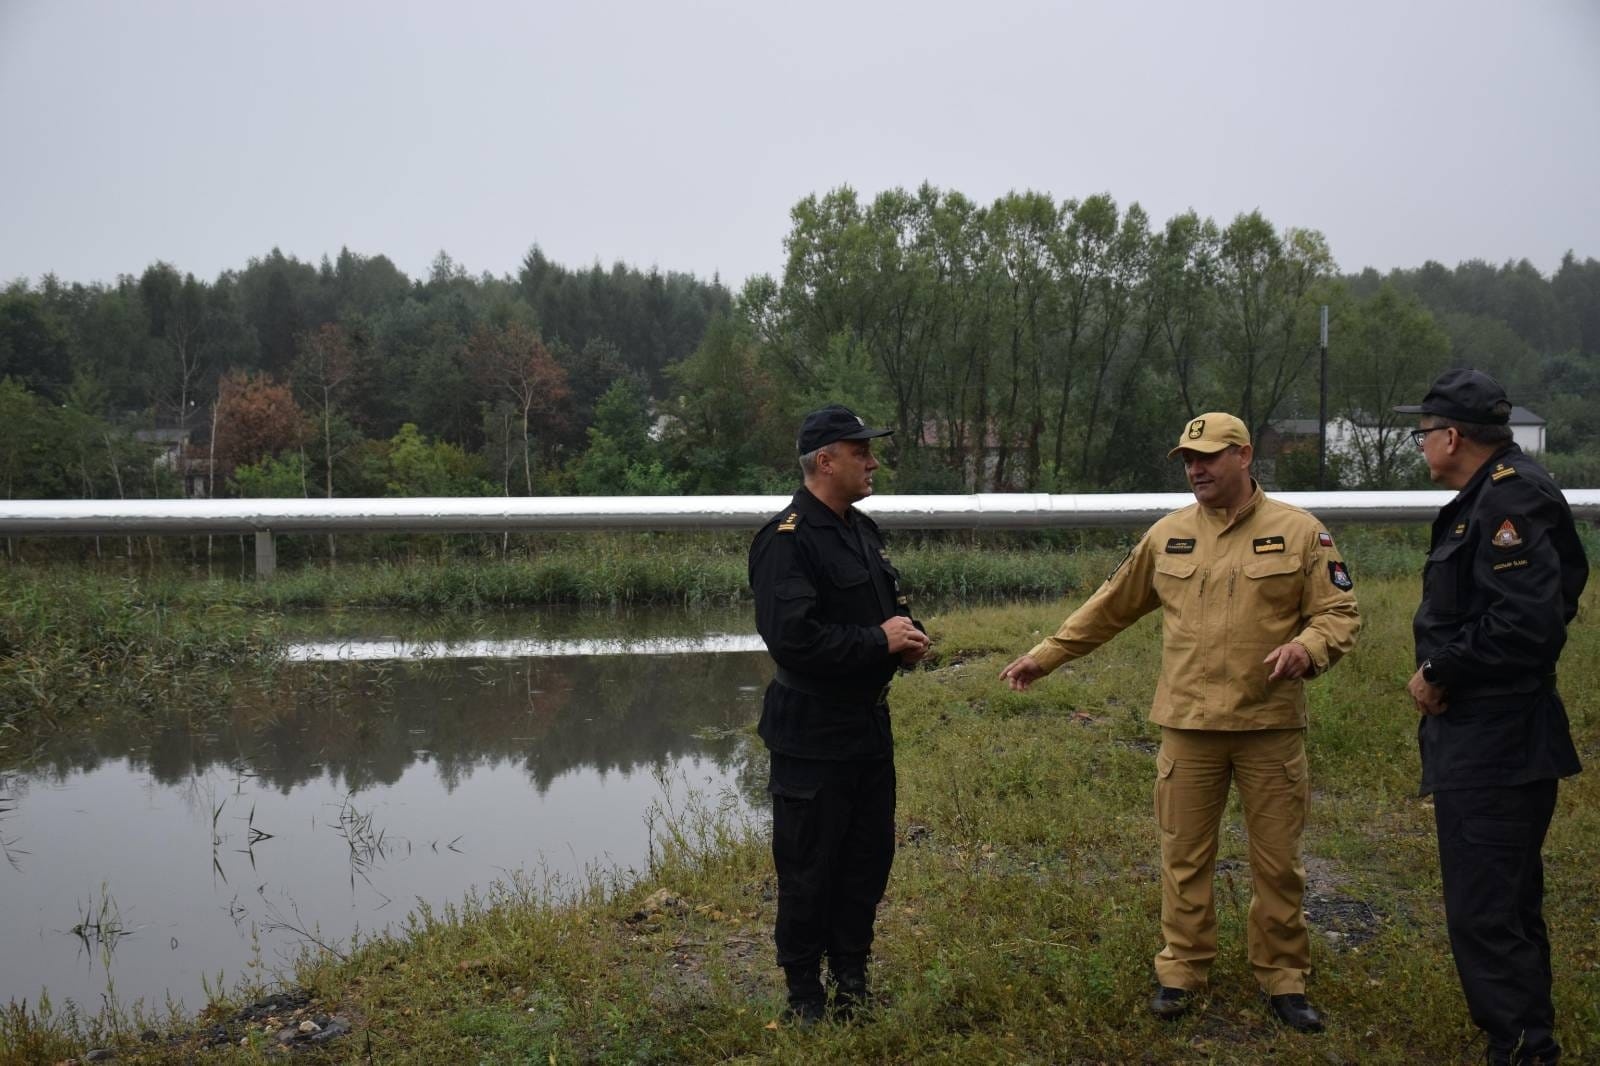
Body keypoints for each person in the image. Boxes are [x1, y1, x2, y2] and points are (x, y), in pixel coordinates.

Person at [999, 413, 1360, 1032]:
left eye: (1209, 457)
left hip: (1267, 726)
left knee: (1277, 861)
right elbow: (1109, 606)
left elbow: (1339, 611)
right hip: (1188, 727)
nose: (1196, 469)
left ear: (1244, 456)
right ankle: (1183, 971)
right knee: (1184, 856)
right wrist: (1046, 655)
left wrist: (1310, 647)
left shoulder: (1300, 533)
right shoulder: (1168, 535)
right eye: (1188, 459)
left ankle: (1283, 979)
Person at [1396, 368, 1587, 1066]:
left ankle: (1521, 1046)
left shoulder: (1508, 498)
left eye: (1423, 433)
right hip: (1492, 730)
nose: (1422, 446)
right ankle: (1524, 1034)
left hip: (1498, 737)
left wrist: (1441, 670)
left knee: (1486, 907)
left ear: (1451, 436)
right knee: (1504, 898)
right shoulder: (1500, 490)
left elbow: (1529, 621)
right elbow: (1553, 594)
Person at [748, 404, 930, 1024]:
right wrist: (880, 642)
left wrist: (909, 641)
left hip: (867, 728)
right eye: (861, 452)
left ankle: (852, 979)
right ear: (825, 461)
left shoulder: (863, 530)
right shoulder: (785, 541)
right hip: (811, 733)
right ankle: (804, 995)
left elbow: (890, 610)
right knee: (808, 867)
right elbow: (793, 640)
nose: (873, 462)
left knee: (866, 859)